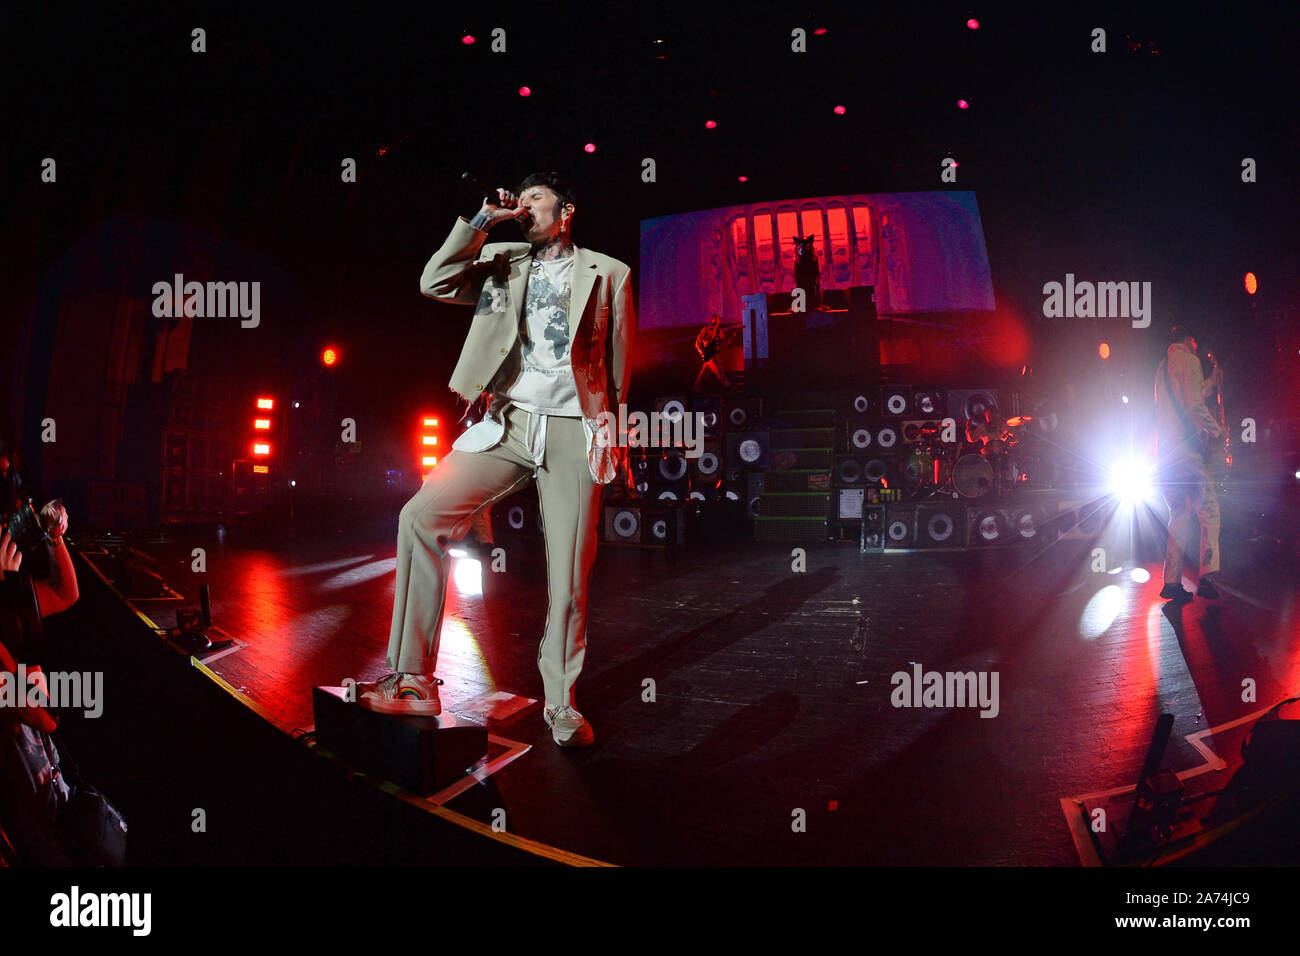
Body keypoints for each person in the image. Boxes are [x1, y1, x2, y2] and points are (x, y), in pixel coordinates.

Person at [354, 172, 634, 747]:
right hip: (506, 424)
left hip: (573, 431)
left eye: (536, 200)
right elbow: (435, 281)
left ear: (567, 210)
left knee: (569, 575)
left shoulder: (609, 272)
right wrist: (482, 222)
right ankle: (412, 679)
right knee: (419, 517)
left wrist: (614, 435)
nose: (525, 206)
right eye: (521, 199)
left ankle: (561, 703)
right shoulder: (502, 259)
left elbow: (619, 362)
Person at [1155, 326, 1227, 602]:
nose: (1196, 348)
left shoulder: (1161, 368)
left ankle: (1171, 582)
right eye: (1194, 343)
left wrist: (1210, 382)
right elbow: (1195, 406)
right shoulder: (1190, 360)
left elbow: (1184, 401)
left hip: (1167, 457)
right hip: (1188, 455)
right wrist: (1217, 431)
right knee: (1209, 511)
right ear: (1188, 340)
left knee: (1179, 515)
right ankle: (1207, 577)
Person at [693, 313, 732, 391]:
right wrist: (701, 352)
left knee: (704, 372)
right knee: (718, 368)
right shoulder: (706, 329)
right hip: (708, 353)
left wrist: (733, 335)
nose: (716, 320)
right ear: (712, 319)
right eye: (715, 318)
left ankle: (696, 389)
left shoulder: (720, 332)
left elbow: (725, 343)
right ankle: (727, 385)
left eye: (718, 319)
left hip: (713, 353)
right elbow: (698, 342)